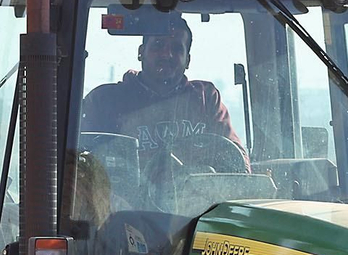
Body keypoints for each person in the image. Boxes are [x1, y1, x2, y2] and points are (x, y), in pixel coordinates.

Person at [80, 16, 247, 165]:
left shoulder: (206, 99)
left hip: (197, 198)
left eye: (176, 48)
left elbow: (235, 158)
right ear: (141, 52)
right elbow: (80, 165)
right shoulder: (104, 101)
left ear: (187, 60)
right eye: (158, 45)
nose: (167, 54)